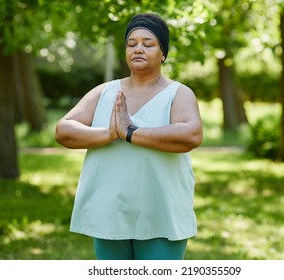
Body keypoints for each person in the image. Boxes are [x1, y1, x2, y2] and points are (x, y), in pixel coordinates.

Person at [55, 13, 203, 260]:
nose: (138, 49)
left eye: (148, 43)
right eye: (131, 44)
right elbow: (64, 130)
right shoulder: (104, 92)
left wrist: (131, 133)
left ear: (163, 53)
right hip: (110, 216)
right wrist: (109, 133)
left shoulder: (178, 93)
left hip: (161, 217)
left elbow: (191, 134)